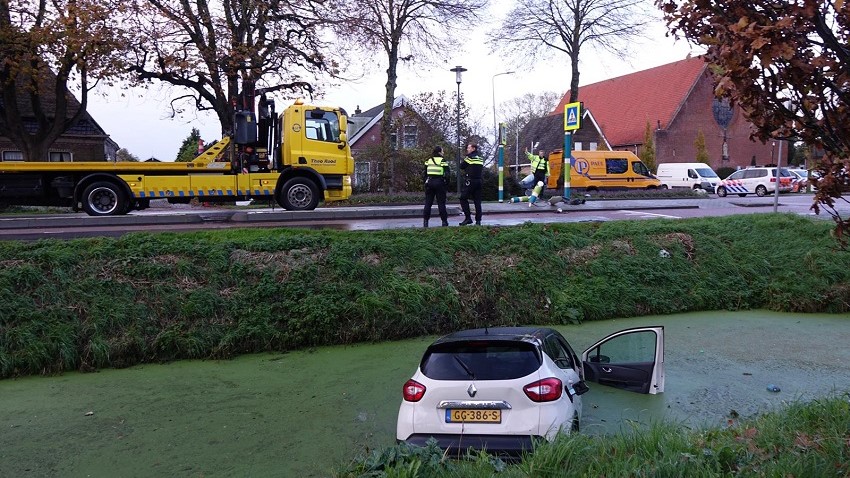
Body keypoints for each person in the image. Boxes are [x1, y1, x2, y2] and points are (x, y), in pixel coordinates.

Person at [423, 146, 449, 227]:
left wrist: (425, 182)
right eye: (442, 151)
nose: (443, 152)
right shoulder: (442, 160)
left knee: (428, 203)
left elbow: (424, 173)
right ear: (439, 152)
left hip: (429, 182)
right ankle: (444, 221)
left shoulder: (428, 160)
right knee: (441, 203)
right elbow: (447, 173)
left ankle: (425, 222)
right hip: (439, 182)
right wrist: (446, 183)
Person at [459, 143, 484, 225]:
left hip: (470, 181)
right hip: (479, 181)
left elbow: (461, 166)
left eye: (469, 148)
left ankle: (468, 218)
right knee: (477, 201)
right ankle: (478, 220)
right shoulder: (480, 158)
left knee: (463, 198)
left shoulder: (469, 158)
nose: (467, 149)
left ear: (473, 148)